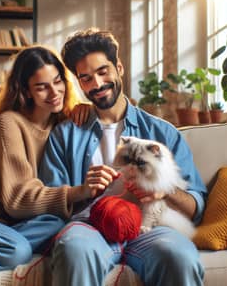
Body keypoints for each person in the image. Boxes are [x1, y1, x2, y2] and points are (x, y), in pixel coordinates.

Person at [38, 28, 207, 286]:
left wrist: (165, 191)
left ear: (119, 67)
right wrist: (82, 190)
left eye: (103, 72)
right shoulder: (65, 134)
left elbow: (196, 206)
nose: (96, 84)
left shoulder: (163, 133)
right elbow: (49, 201)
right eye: (85, 78)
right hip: (88, 228)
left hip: (149, 230)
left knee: (180, 256)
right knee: (74, 250)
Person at [0, 45, 100, 273]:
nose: (54, 93)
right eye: (42, 87)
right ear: (25, 91)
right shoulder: (10, 123)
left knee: (58, 222)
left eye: (57, 81)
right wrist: (78, 191)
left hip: (19, 223)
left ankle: (7, 244)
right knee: (17, 251)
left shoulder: (63, 124)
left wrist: (87, 109)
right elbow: (17, 199)